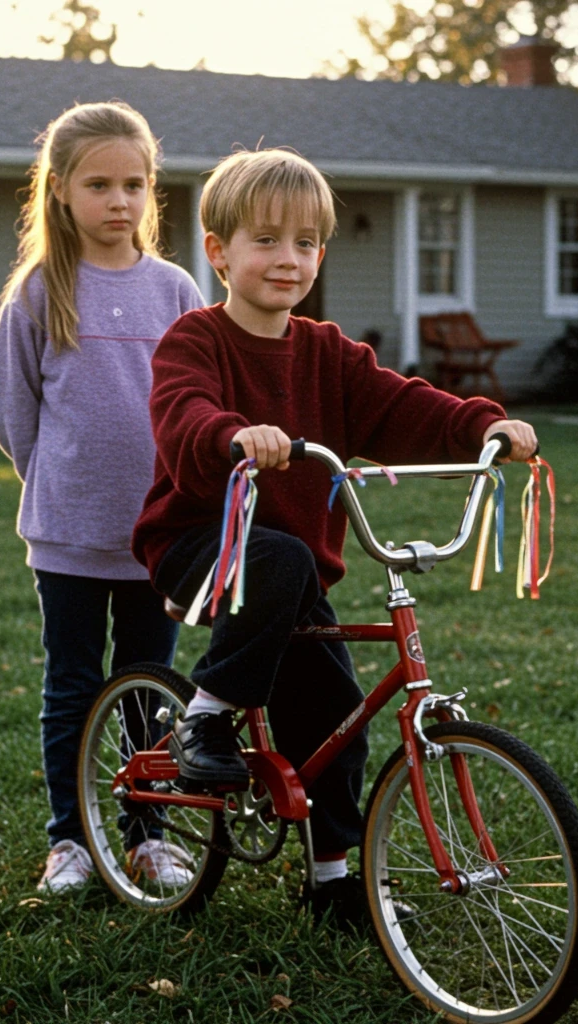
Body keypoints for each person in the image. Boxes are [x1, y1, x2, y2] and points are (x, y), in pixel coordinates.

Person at [131, 148, 537, 925]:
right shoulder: (196, 340)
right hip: (200, 547)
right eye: (267, 240)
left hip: (289, 572)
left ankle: (331, 882)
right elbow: (182, 414)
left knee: (337, 713)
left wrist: (483, 424)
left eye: (307, 243)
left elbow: (405, 406)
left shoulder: (328, 353)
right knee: (279, 555)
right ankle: (206, 714)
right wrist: (230, 434)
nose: (289, 259)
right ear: (218, 252)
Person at [0, 101, 204, 894]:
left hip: (158, 536)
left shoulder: (176, 289)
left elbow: (199, 397)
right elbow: (13, 416)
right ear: (62, 191)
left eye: (136, 184)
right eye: (101, 184)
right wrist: (60, 485)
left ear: (153, 192)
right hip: (70, 537)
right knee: (74, 684)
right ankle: (70, 841)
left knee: (150, 686)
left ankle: (147, 835)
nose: (120, 201)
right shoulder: (42, 291)